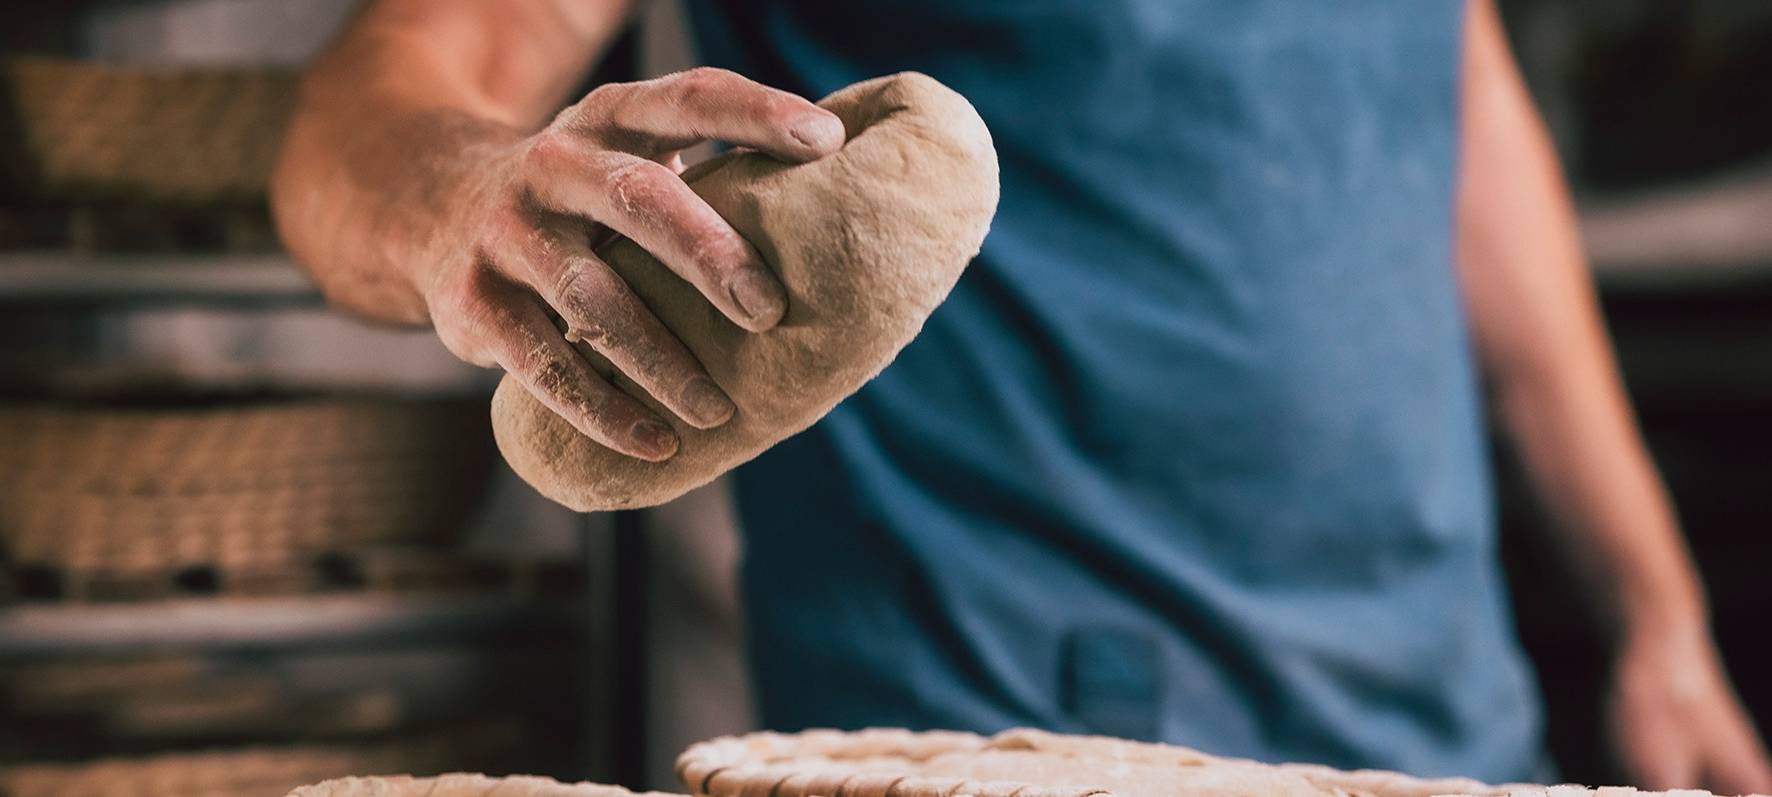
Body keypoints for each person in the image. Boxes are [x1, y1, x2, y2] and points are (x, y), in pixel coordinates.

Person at [272, 0, 1772, 789]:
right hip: (993, 736)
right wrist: (454, 195)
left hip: (1432, 712)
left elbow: (1463, 113)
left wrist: (1659, 616)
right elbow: (395, 73)